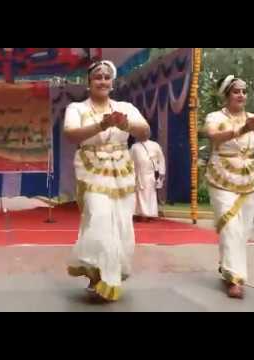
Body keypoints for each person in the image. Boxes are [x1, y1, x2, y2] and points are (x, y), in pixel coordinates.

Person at [64, 60, 150, 302]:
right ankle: (102, 274)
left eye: (106, 77)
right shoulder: (77, 108)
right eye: (97, 77)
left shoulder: (125, 107)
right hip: (91, 167)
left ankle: (104, 273)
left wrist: (126, 124)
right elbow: (70, 134)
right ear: (89, 83)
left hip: (121, 168)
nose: (102, 81)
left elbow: (144, 132)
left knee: (122, 221)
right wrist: (102, 124)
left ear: (112, 83)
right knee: (99, 217)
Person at [204, 75, 254, 299]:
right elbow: (213, 136)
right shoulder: (214, 116)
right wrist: (242, 129)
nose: (241, 95)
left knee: (243, 229)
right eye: (236, 91)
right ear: (226, 95)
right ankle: (235, 278)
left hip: (248, 177)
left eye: (244, 92)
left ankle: (228, 267)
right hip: (221, 174)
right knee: (229, 226)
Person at [130, 127, 166, 221]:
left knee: (149, 194)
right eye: (143, 132)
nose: (145, 134)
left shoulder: (155, 145)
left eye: (147, 132)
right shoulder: (134, 147)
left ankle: (150, 213)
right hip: (138, 174)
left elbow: (161, 159)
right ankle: (140, 213)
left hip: (150, 174)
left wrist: (161, 174)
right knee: (139, 194)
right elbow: (130, 161)